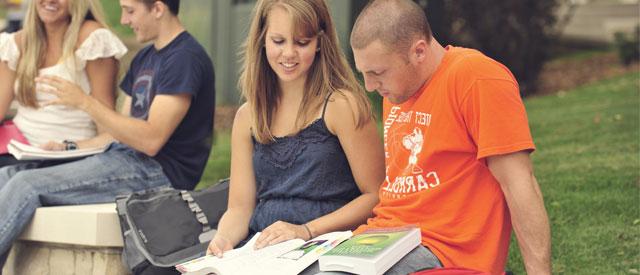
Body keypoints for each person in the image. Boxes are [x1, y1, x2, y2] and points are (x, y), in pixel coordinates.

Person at [306, 0, 551, 274]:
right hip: (379, 239)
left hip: (441, 250)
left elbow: (519, 184)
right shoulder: (399, 90)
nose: (371, 87)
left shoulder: (477, 78)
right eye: (364, 74)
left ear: (419, 51)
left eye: (377, 73)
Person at [0, 0, 215, 271]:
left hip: (160, 172)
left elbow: (150, 141)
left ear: (158, 8)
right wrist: (68, 147)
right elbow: (120, 132)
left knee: (26, 185)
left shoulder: (184, 58)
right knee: (5, 176)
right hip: (126, 159)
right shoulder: (146, 58)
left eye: (130, 11)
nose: (124, 20)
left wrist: (84, 102)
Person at [206, 0, 385, 259]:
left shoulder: (341, 105)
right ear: (262, 39)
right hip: (262, 248)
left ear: (320, 42)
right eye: (278, 41)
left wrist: (306, 230)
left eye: (301, 43)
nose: (289, 53)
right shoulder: (248, 116)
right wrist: (222, 239)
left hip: (326, 245)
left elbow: (376, 195)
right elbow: (239, 209)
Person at [0, 0, 125, 166]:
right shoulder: (17, 43)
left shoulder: (92, 40)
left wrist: (69, 147)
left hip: (67, 156)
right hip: (16, 148)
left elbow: (108, 128)